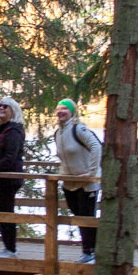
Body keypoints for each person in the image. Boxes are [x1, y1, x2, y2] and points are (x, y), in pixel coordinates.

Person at [53, 98, 101, 262]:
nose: (61, 112)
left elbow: (97, 146)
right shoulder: (58, 133)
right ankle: (88, 250)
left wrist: (91, 172)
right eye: (58, 109)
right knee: (78, 216)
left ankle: (91, 252)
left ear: (72, 112)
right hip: (69, 183)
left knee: (87, 217)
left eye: (64, 109)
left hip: (88, 183)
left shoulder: (78, 129)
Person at [0, 95, 27, 255]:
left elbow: (10, 158)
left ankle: (11, 248)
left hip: (10, 178)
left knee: (5, 212)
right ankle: (9, 246)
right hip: (1, 177)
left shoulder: (14, 131)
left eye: (5, 106)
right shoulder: (0, 130)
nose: (1, 108)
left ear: (12, 111)